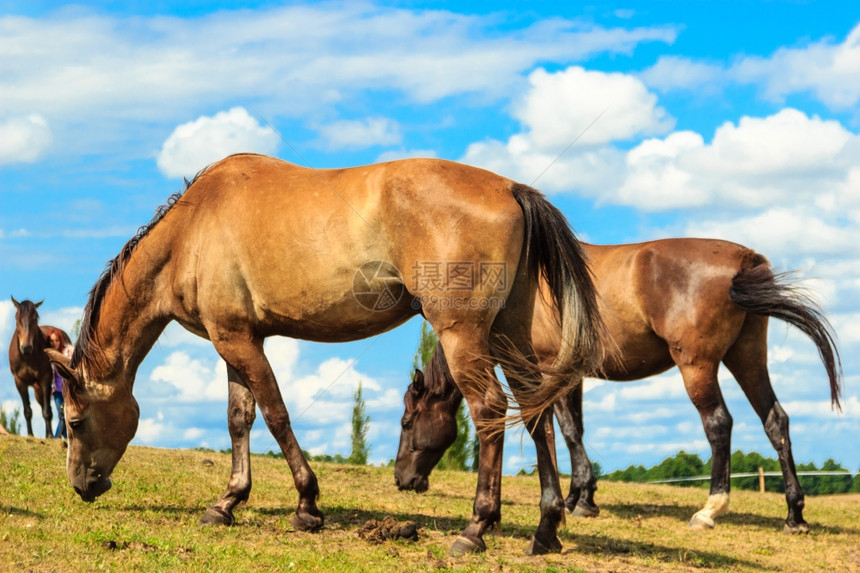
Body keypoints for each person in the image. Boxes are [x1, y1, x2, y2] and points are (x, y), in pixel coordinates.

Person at [48, 328, 73, 439]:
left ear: (60, 340)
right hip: (57, 391)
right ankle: (64, 438)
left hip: (69, 390)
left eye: (56, 340)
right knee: (62, 416)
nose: (54, 343)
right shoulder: (50, 354)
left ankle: (55, 438)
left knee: (65, 416)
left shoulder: (69, 350)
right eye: (52, 341)